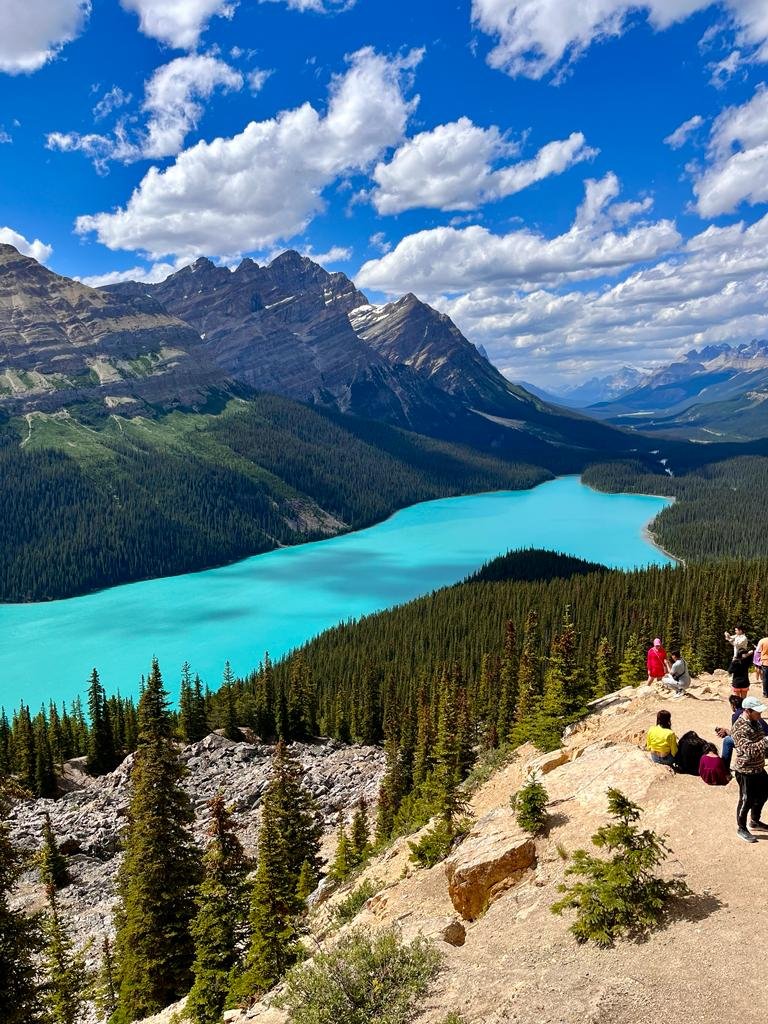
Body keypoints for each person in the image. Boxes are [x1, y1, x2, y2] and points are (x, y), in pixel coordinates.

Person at [731, 695, 768, 843]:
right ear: (748, 710)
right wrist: (766, 741)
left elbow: (760, 743)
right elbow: (749, 750)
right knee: (746, 799)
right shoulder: (739, 728)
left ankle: (754, 821)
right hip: (745, 771)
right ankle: (741, 828)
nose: (760, 715)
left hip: (759, 767)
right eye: (757, 712)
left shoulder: (756, 722)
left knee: (765, 793)